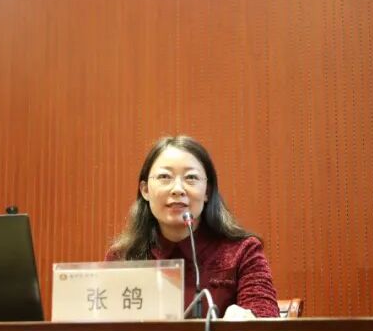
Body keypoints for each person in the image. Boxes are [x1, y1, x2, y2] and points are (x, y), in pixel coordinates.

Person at [107, 135, 279, 318]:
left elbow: (265, 318)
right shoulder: (123, 257)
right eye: (165, 177)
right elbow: (104, 326)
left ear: (207, 191)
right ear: (145, 190)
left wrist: (246, 319)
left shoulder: (242, 252)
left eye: (191, 177)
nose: (177, 189)